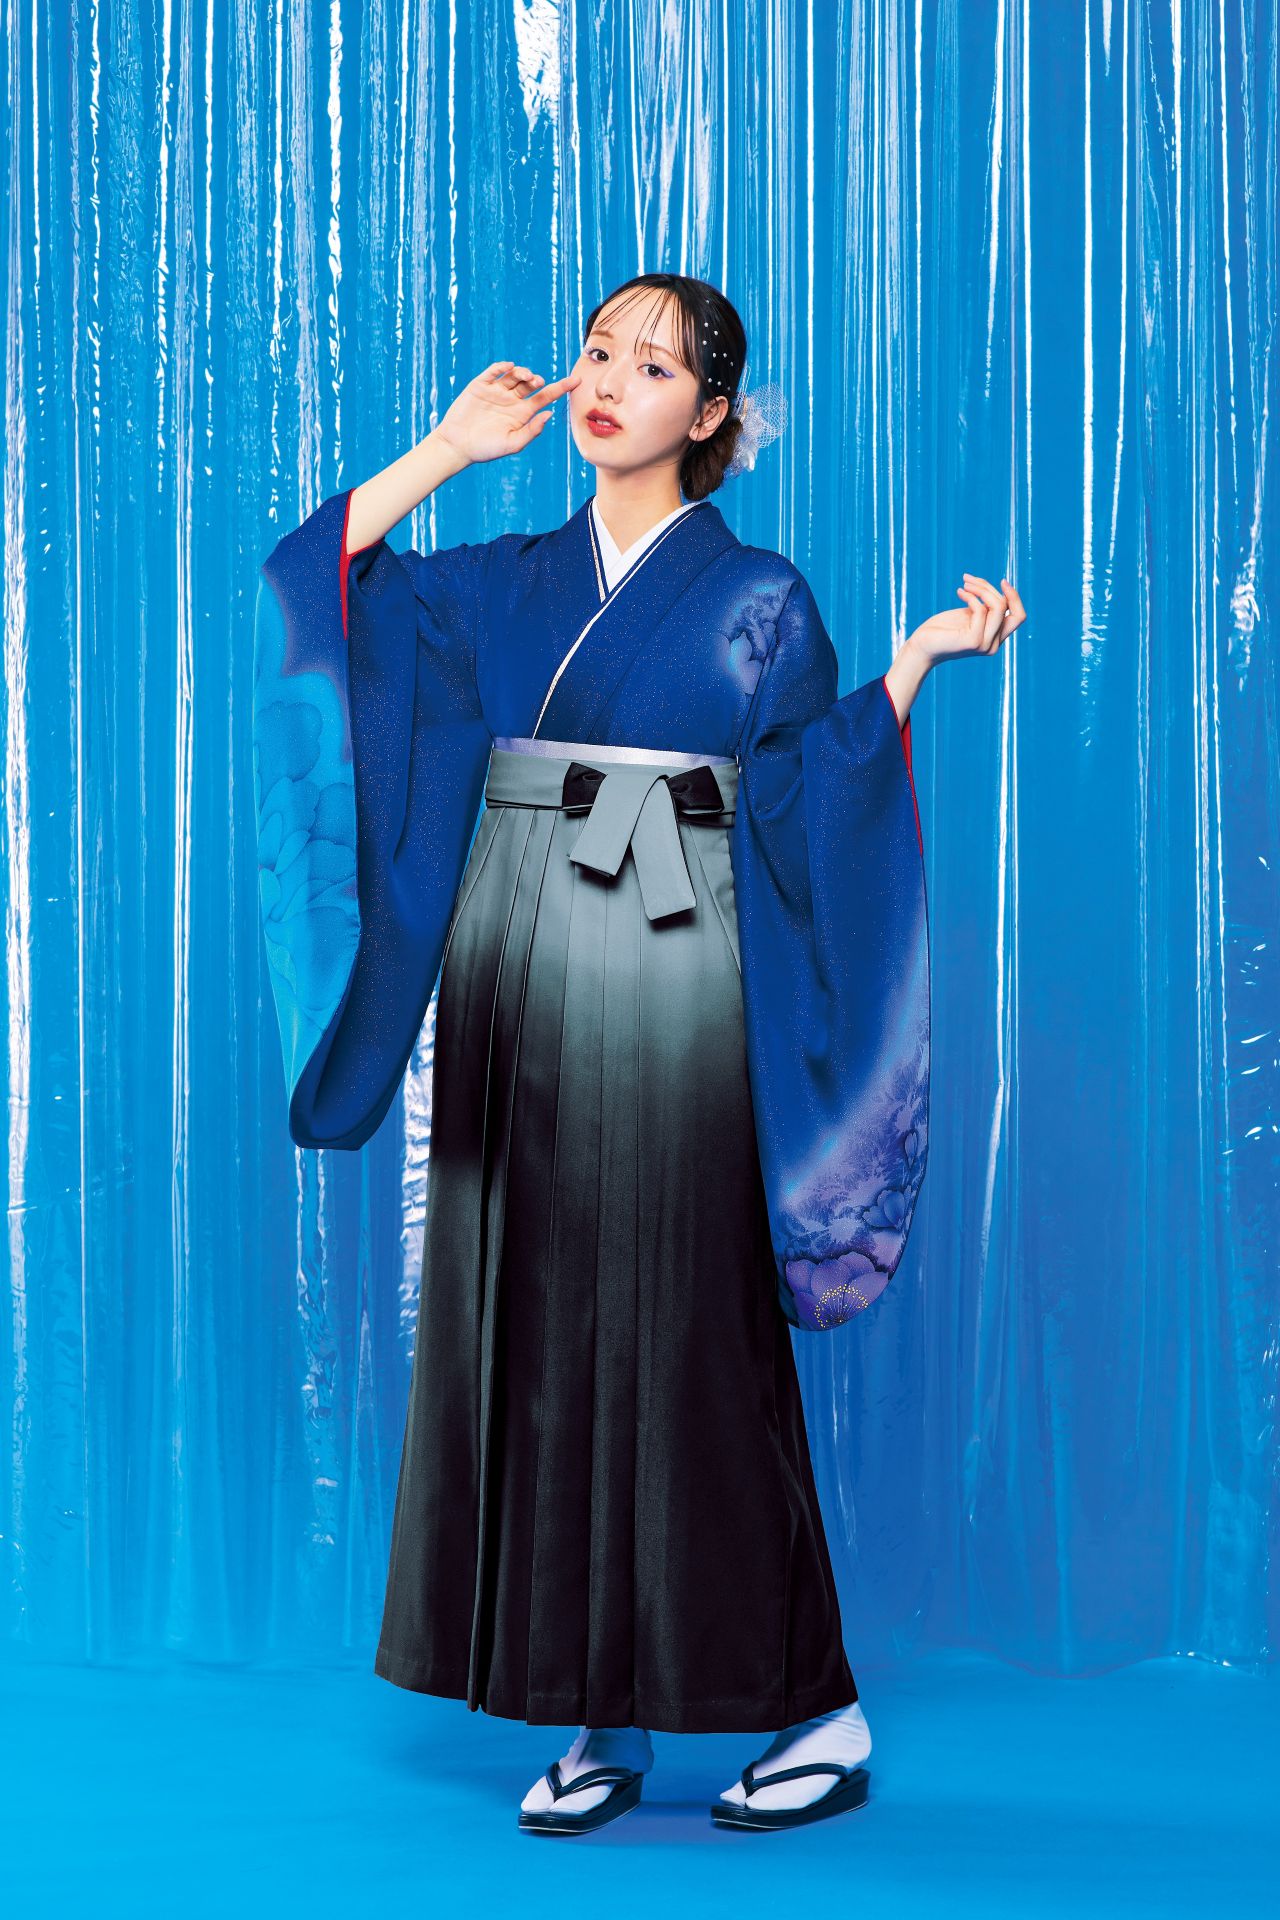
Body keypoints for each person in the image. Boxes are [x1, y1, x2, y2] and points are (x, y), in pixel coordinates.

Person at [252, 272, 1025, 1835]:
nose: (609, 380)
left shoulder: (761, 599)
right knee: (530, 1334)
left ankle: (818, 1711)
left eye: (656, 365)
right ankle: (596, 1710)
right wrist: (445, 452)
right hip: (515, 967)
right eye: (599, 350)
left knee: (694, 1332)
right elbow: (322, 588)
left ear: (713, 413)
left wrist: (915, 667)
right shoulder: (504, 578)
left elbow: (801, 791)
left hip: (677, 962)